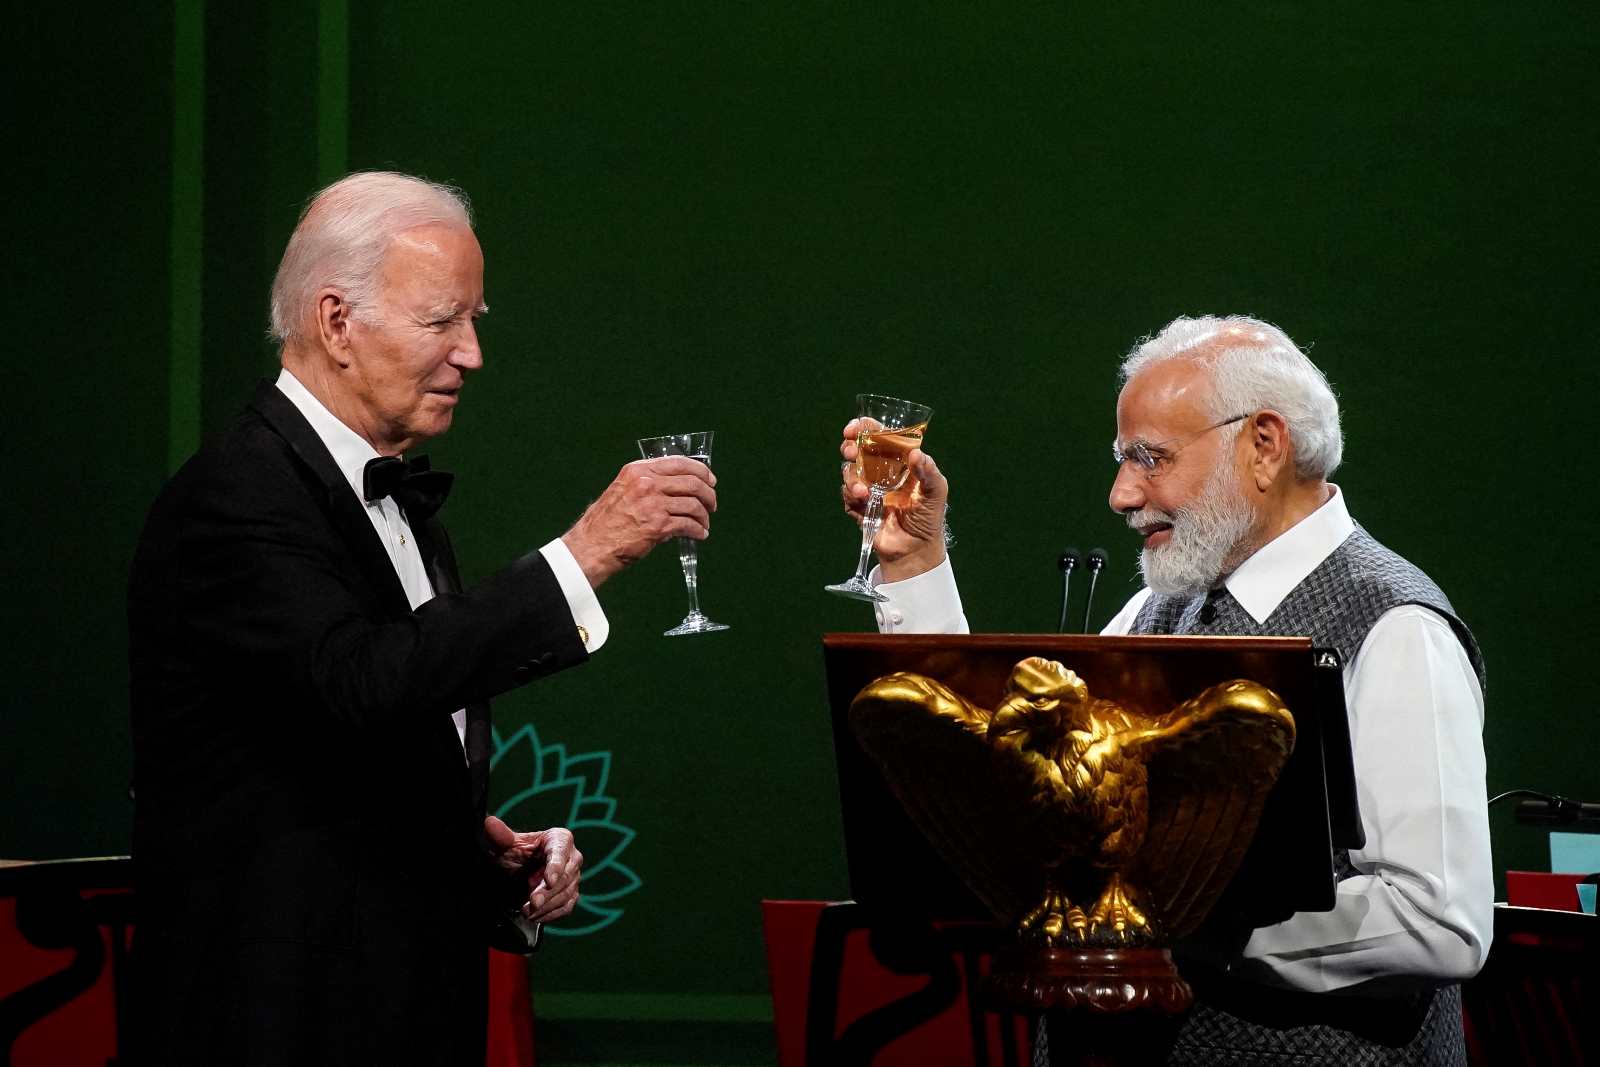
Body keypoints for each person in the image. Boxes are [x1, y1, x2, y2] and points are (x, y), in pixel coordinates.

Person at [128, 171, 718, 1065]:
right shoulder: (237, 494)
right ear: (336, 322)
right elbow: (361, 680)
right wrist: (585, 553)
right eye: (442, 321)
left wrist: (480, 862)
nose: (471, 354)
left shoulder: (397, 500)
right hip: (277, 1026)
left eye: (474, 320)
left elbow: (342, 753)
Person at [839, 315, 1490, 1065]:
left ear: (1264, 445)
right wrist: (914, 559)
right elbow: (1010, 786)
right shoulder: (1159, 607)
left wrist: (1169, 925)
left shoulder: (1397, 625)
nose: (1121, 494)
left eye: (1150, 458)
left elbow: (1438, 919)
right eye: (1123, 460)